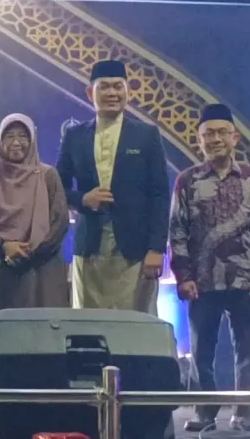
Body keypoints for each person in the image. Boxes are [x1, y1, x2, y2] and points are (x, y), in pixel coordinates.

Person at [170, 104, 250, 434]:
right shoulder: (187, 180)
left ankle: (245, 413)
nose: (215, 139)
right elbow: (177, 231)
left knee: (249, 352)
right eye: (208, 134)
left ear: (235, 138)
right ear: (199, 139)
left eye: (221, 133)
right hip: (202, 281)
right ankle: (205, 412)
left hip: (246, 279)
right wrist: (183, 276)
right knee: (201, 352)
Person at [57, 60, 169, 314]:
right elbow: (57, 188)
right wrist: (82, 199)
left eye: (118, 86)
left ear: (128, 92)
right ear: (90, 93)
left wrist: (156, 249)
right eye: (104, 87)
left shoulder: (147, 135)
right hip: (90, 248)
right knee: (89, 326)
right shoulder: (74, 136)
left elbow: (160, 195)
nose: (112, 93)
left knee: (136, 326)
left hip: (135, 252)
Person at [0, 114, 69, 312]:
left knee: (45, 325)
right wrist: (4, 247)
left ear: (32, 140)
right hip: (5, 266)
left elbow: (59, 221)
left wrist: (30, 250)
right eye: (9, 136)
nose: (16, 142)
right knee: (5, 325)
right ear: (0, 142)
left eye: (23, 136)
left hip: (44, 268)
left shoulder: (48, 176)